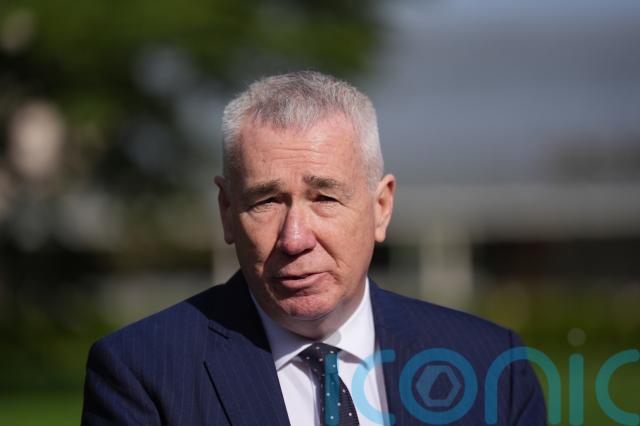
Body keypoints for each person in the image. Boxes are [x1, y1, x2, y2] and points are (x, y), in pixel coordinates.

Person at [82, 71, 546, 425]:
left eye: (324, 198)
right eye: (266, 201)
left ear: (381, 207)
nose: (295, 238)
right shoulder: (143, 373)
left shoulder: (491, 367)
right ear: (227, 211)